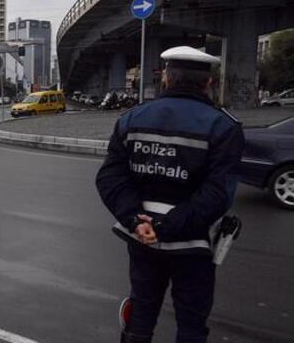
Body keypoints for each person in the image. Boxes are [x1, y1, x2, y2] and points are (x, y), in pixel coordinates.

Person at [95, 46, 245, 343]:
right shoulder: (224, 127)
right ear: (208, 83)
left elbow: (110, 178)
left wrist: (137, 221)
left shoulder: (131, 119)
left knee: (140, 315)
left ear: (166, 78)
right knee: (191, 323)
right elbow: (218, 193)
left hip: (142, 239)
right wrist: (166, 226)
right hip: (193, 245)